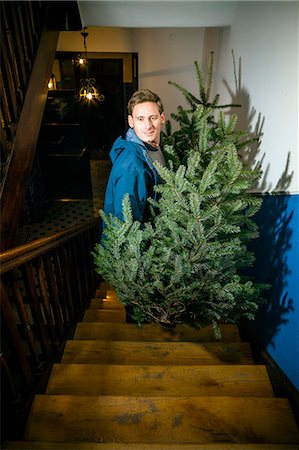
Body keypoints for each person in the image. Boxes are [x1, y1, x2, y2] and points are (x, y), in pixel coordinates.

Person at [103, 88, 166, 223]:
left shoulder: (155, 147)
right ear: (131, 122)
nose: (148, 126)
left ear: (162, 118)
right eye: (140, 119)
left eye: (153, 118)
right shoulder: (131, 165)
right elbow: (126, 224)